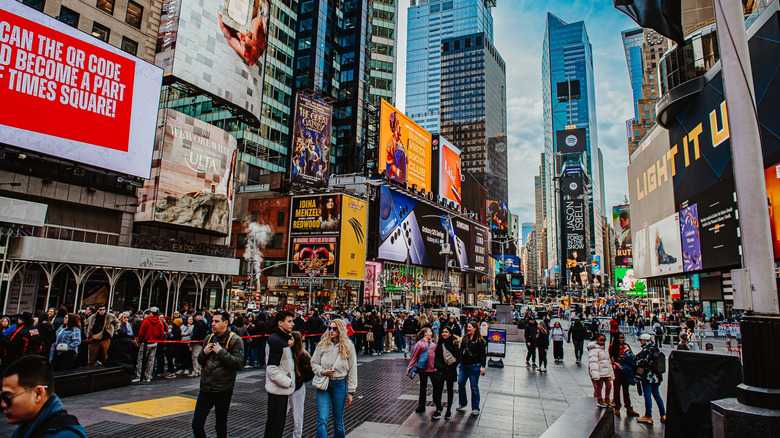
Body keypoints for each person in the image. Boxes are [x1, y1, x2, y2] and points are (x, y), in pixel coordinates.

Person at [1, 355, 87, 437]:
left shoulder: (65, 435)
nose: (3, 404)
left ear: (38, 393)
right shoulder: (28, 426)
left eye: (8, 397)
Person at [191, 310, 244, 438]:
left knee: (220, 425)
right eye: (212, 321)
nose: (212, 324)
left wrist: (221, 352)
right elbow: (200, 361)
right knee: (197, 424)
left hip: (223, 389)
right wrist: (204, 353)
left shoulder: (235, 340)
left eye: (216, 321)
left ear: (225, 323)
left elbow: (238, 363)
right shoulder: (209, 338)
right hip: (206, 388)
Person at [311, 318, 357, 438]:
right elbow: (314, 362)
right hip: (324, 384)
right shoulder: (322, 345)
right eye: (329, 328)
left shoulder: (349, 346)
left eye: (334, 328)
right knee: (322, 419)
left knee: (338, 421)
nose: (331, 331)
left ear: (340, 330)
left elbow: (352, 370)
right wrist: (322, 371)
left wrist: (351, 391)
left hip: (339, 384)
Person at [264, 311, 296, 438]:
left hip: (280, 389)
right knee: (275, 425)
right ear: (280, 323)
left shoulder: (281, 339)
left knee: (276, 424)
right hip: (278, 389)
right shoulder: (276, 341)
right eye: (289, 321)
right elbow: (272, 369)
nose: (292, 324)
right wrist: (289, 382)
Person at [456, 321, 487, 415]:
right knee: (460, 382)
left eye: (470, 327)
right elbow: (460, 351)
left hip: (474, 366)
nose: (468, 328)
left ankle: (475, 407)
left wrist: (482, 366)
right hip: (464, 366)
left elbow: (482, 354)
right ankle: (462, 402)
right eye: (467, 327)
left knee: (474, 387)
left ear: (475, 328)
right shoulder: (465, 338)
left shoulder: (479, 340)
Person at [635, 334, 666, 424]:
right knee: (657, 394)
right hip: (657, 377)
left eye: (642, 340)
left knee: (647, 395)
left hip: (648, 377)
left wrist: (628, 352)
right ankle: (663, 414)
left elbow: (637, 359)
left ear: (645, 340)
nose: (641, 342)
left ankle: (648, 415)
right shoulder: (655, 348)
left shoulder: (646, 350)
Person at [432, 326, 461, 421]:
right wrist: (439, 366)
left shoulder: (454, 343)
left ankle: (448, 410)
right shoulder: (440, 343)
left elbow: (458, 358)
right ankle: (438, 408)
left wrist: (450, 367)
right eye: (443, 332)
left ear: (450, 333)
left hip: (450, 370)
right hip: (441, 370)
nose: (444, 334)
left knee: (450, 390)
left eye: (446, 332)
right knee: (438, 390)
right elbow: (436, 357)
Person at [288, 331, 313, 438]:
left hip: (297, 387)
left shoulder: (303, 355)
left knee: (297, 415)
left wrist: (300, 380)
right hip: (288, 386)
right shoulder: (287, 352)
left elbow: (310, 372)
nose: (288, 341)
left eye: (291, 339)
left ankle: (297, 435)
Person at [133, 307, 166, 383]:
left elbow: (141, 333)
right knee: (151, 360)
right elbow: (161, 334)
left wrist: (140, 341)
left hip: (145, 343)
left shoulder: (146, 321)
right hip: (154, 342)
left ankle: (140, 375)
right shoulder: (159, 322)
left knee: (141, 359)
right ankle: (148, 376)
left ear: (151, 313)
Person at [609, 333, 639, 417]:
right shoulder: (612, 346)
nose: (621, 340)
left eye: (622, 338)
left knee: (626, 389)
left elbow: (631, 356)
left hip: (626, 370)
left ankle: (628, 407)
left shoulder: (626, 346)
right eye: (619, 338)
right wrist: (614, 363)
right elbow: (609, 357)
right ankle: (617, 407)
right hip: (617, 370)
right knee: (617, 388)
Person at [407, 328, 436, 414]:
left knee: (436, 386)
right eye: (430, 331)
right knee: (423, 387)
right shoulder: (419, 344)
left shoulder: (433, 344)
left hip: (432, 368)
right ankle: (421, 405)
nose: (431, 333)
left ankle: (436, 402)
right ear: (425, 334)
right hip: (423, 369)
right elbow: (414, 357)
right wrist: (409, 369)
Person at [588, 334, 614, 407]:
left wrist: (611, 372)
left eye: (604, 341)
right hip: (600, 371)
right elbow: (593, 362)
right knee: (599, 386)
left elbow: (608, 361)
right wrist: (595, 374)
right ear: (596, 341)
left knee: (609, 385)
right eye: (601, 340)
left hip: (606, 372)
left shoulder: (605, 350)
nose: (603, 342)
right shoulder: (594, 350)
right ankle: (599, 399)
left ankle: (607, 398)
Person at [189, 312, 208, 377]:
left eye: (195, 316)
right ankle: (198, 369)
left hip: (197, 342)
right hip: (201, 342)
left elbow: (195, 333)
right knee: (198, 355)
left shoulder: (198, 323)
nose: (194, 318)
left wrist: (191, 341)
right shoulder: (205, 322)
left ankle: (196, 371)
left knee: (195, 356)